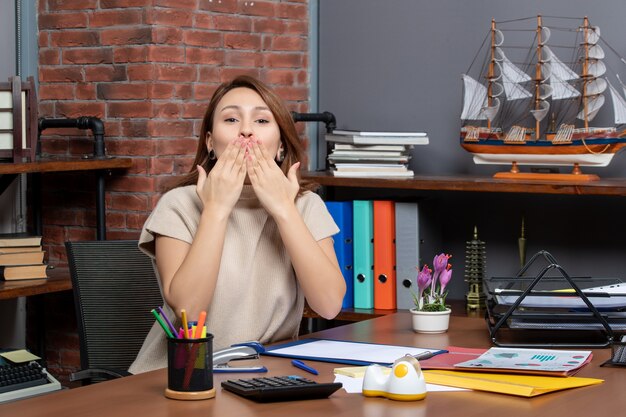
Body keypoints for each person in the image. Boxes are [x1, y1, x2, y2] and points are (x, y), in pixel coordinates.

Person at [129, 76, 346, 373]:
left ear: (281, 146)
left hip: (268, 373)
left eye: (261, 120)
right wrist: (216, 209)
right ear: (210, 143)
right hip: (183, 376)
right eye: (231, 119)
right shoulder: (178, 204)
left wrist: (283, 209)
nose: (246, 130)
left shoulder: (304, 206)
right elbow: (188, 313)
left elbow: (329, 304)